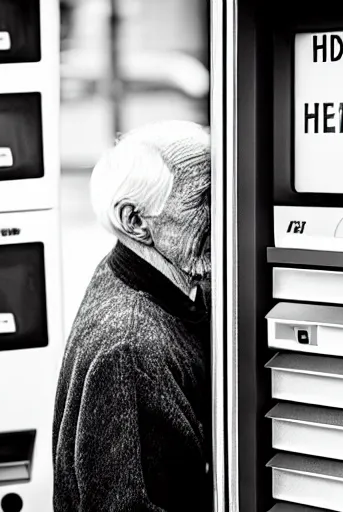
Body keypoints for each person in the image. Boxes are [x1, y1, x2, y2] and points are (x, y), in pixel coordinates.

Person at [53, 120, 212, 511]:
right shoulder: (131, 352)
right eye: (206, 199)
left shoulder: (142, 274)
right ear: (136, 221)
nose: (229, 214)